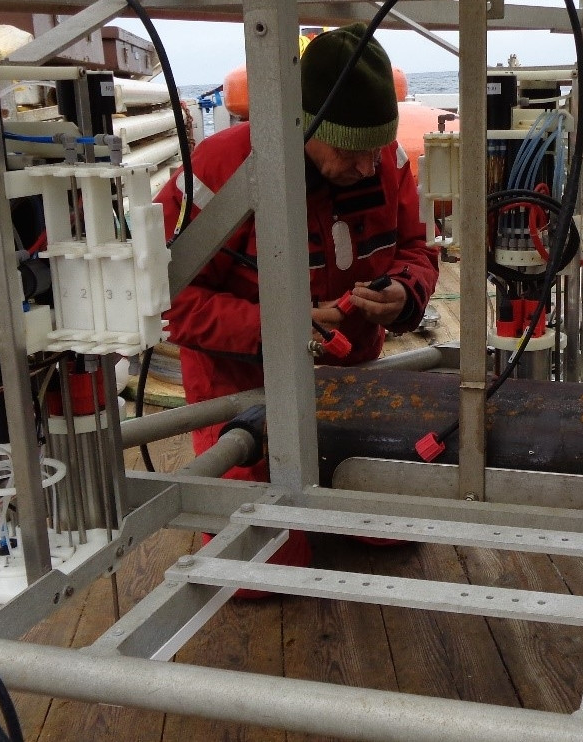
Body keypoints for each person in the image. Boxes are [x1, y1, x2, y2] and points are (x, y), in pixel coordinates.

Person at [156, 25, 439, 573]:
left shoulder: (388, 162)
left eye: (374, 148)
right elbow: (171, 303)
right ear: (302, 124)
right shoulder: (217, 171)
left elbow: (414, 248)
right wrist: (276, 326)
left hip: (350, 381)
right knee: (260, 573)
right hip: (240, 392)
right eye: (347, 149)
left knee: (392, 537)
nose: (365, 166)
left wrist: (405, 293)